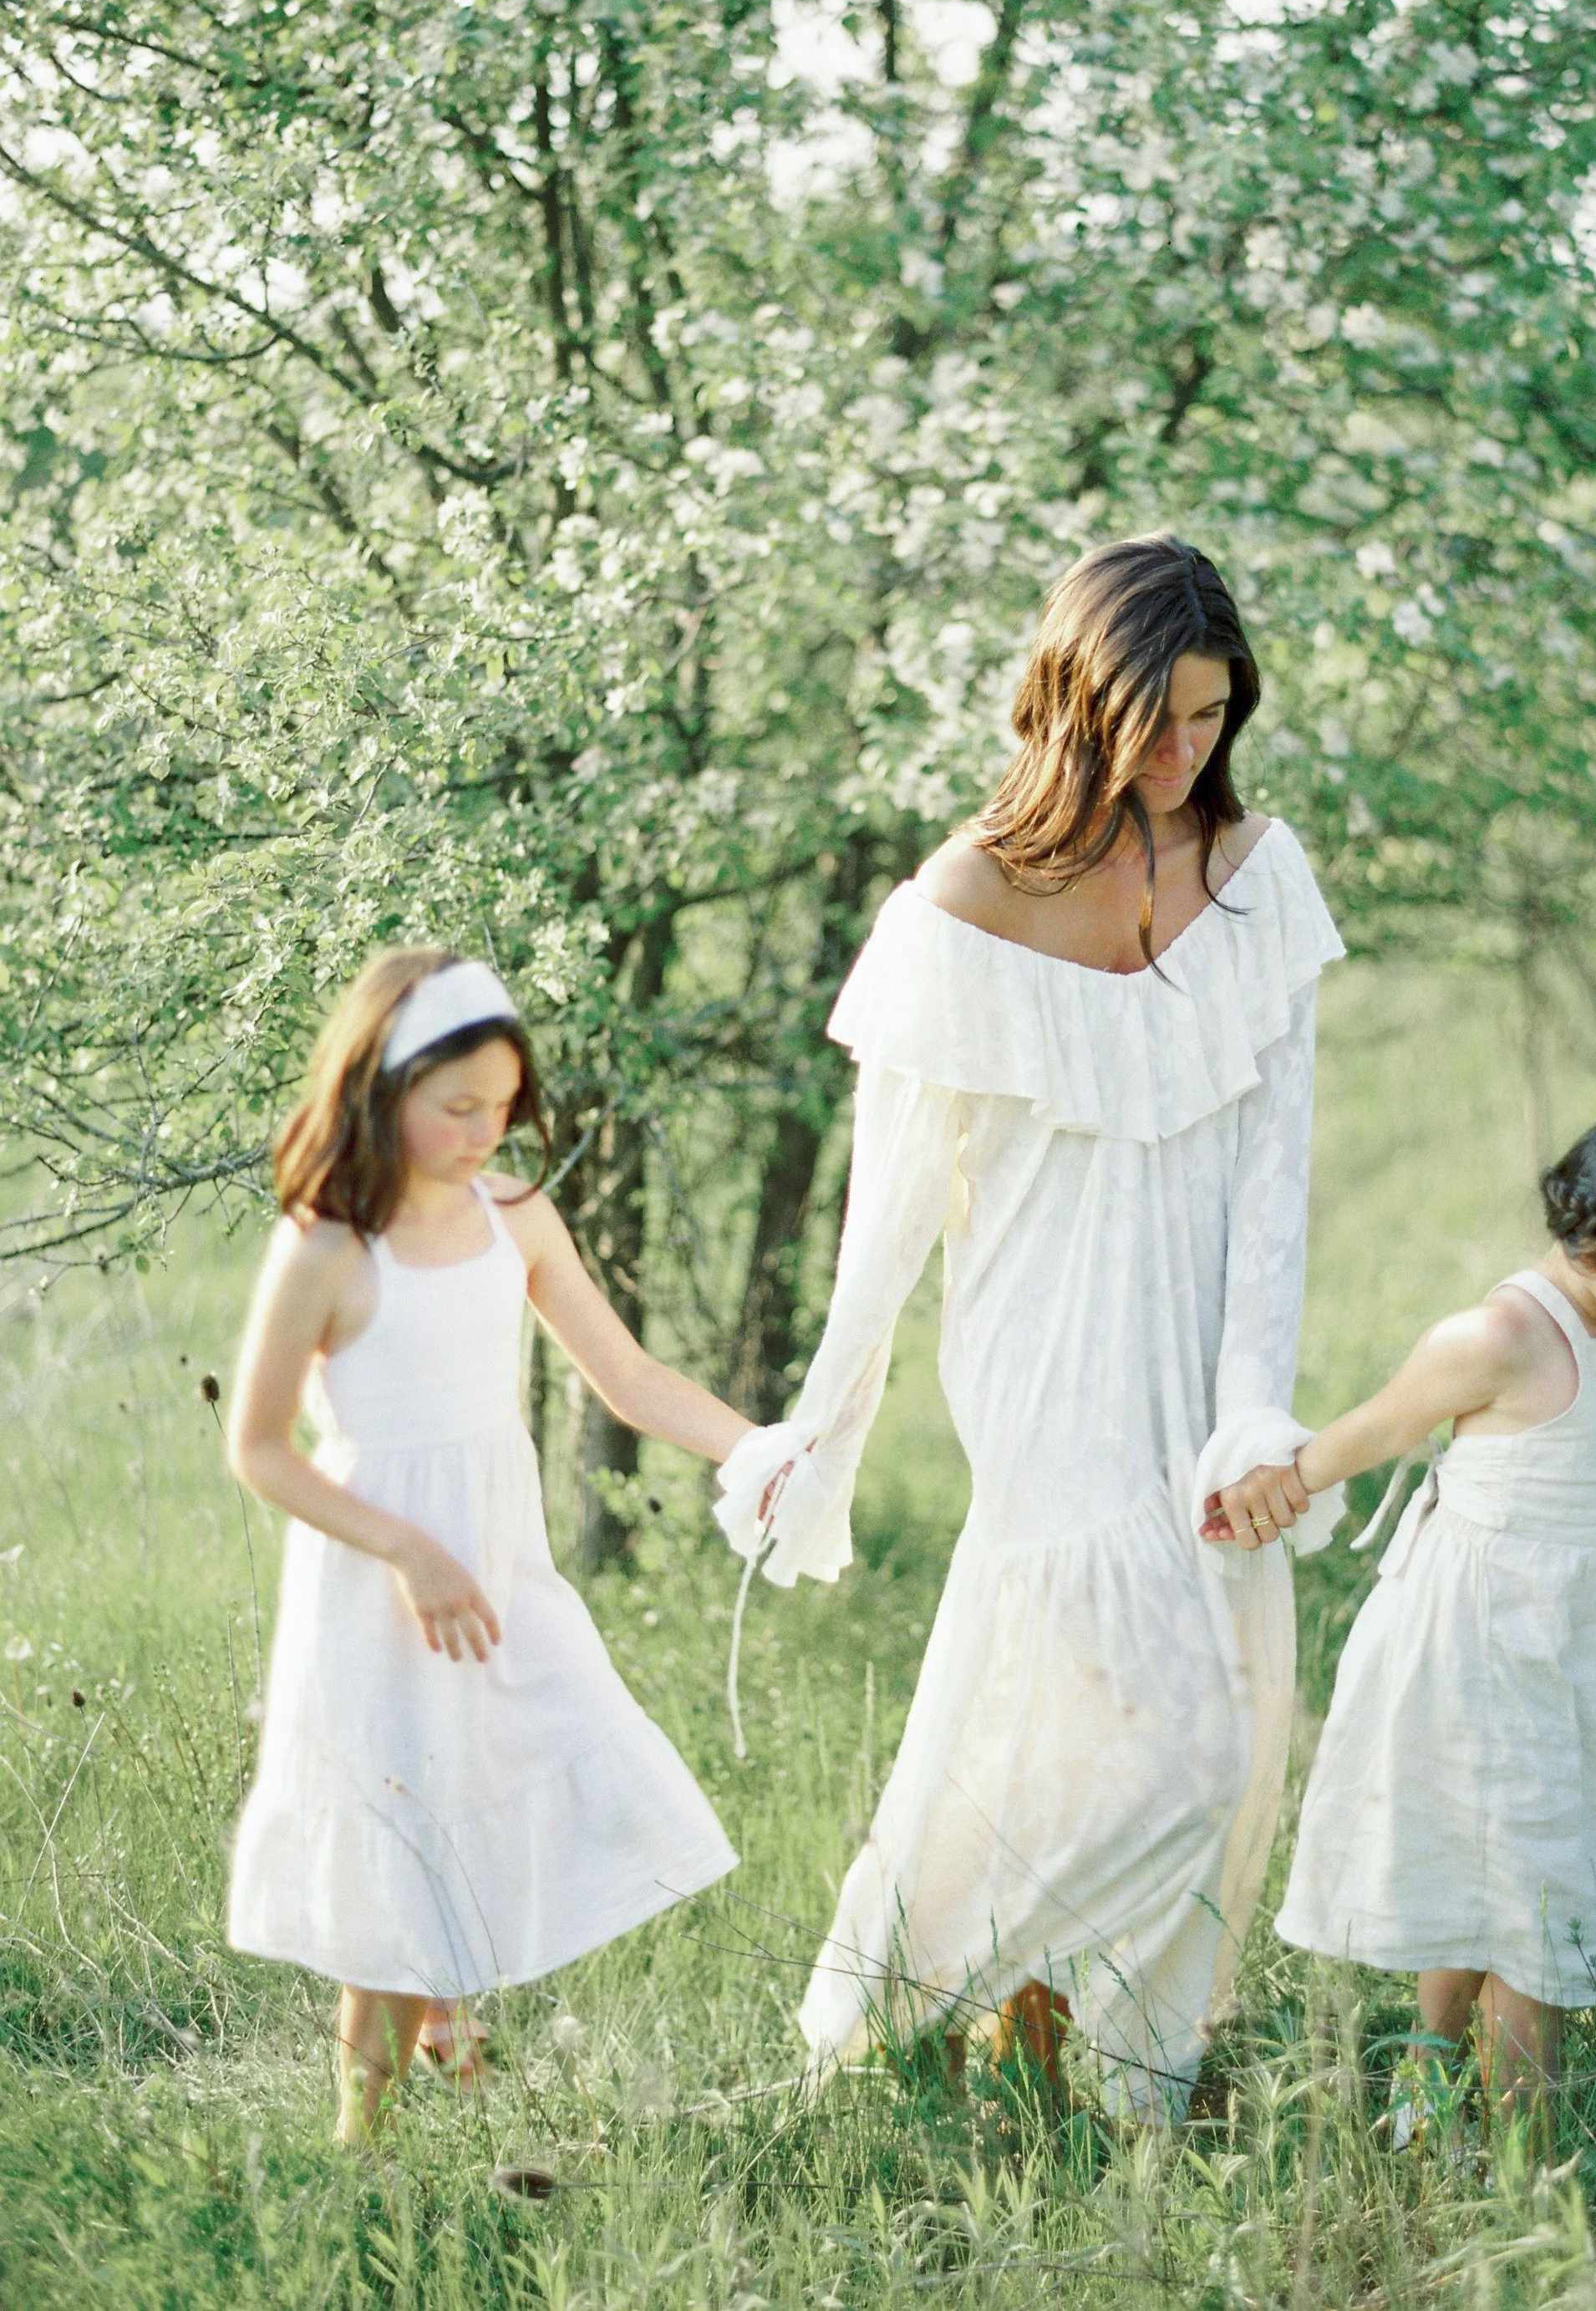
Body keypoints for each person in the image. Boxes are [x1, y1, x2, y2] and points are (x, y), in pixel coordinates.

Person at [714, 533, 1347, 2115]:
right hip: (1043, 1356)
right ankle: (912, 1997)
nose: (1181, 751)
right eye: (1153, 718)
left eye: (1209, 717)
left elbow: (1276, 1186)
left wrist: (1250, 1411)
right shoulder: (961, 902)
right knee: (1134, 1729)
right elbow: (889, 1212)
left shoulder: (1259, 876)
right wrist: (824, 1426)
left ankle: (1094, 2051)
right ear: (1074, 700)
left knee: (1212, 1723)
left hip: (1198, 1359)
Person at [225, 950, 751, 2141]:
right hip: (381, 1580)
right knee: (397, 1840)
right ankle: (359, 2148)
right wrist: (408, 1550)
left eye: (502, 1106)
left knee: (542, 1751)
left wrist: (758, 1450)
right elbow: (256, 1446)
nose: (483, 1130)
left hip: (502, 1571)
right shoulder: (329, 1247)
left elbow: (625, 1375)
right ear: (379, 1084)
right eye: (456, 1105)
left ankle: (452, 2028)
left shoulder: (515, 1215)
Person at [1218, 1097, 1596, 2122]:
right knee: (1524, 1888)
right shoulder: (1496, 1333)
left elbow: (1586, 1389)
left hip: (1571, 1638)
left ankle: (1440, 2083)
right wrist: (1269, 1487)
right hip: (1483, 1642)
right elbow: (1381, 1428)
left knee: (1514, 1852)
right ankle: (1522, 2147)